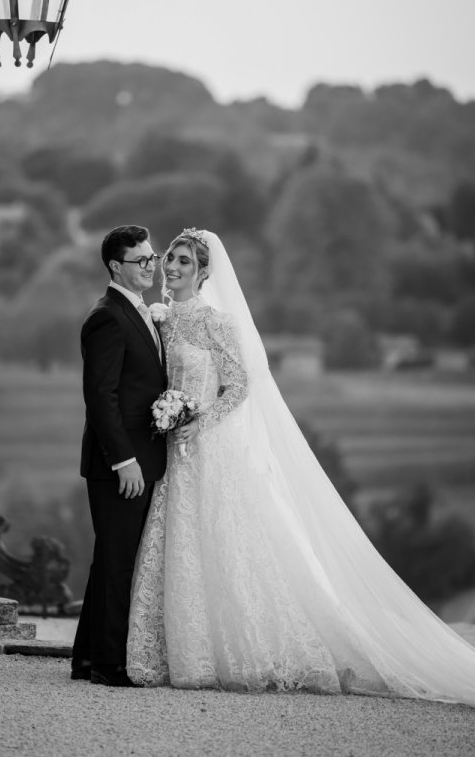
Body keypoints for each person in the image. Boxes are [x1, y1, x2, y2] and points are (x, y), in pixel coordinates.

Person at [127, 228, 475, 706]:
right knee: (179, 541)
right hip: (172, 453)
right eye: (171, 258)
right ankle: (183, 652)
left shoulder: (216, 323)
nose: (173, 267)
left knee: (224, 542)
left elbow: (239, 386)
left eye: (185, 262)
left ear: (205, 272)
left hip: (206, 448)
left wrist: (196, 422)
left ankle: (239, 651)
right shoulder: (159, 318)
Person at [71, 225, 168, 687]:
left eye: (152, 258)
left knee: (110, 557)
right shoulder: (107, 316)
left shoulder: (141, 312)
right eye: (141, 260)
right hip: (119, 465)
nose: (151, 266)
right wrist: (123, 460)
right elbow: (101, 396)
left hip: (141, 458)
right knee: (117, 561)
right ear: (116, 266)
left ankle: (87, 658)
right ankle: (109, 666)